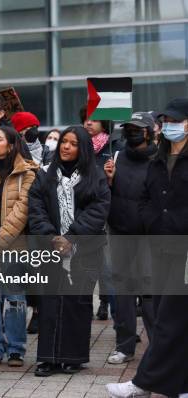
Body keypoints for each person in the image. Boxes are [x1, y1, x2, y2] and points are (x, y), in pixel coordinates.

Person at [106, 98, 188, 398]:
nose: (170, 126)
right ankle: (176, 386)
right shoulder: (159, 160)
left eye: (177, 120)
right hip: (161, 246)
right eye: (166, 121)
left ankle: (144, 382)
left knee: (168, 319)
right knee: (173, 320)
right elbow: (146, 200)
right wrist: (153, 222)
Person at [28, 125, 110, 377]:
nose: (66, 147)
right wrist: (53, 237)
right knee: (50, 302)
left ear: (82, 149)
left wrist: (72, 236)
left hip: (84, 248)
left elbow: (99, 209)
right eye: (64, 141)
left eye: (73, 144)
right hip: (50, 246)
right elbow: (36, 207)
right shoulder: (44, 174)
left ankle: (72, 357)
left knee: (78, 302)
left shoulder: (95, 176)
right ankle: (48, 358)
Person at [103, 112, 157, 366]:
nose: (132, 132)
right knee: (123, 293)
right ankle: (125, 346)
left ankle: (158, 349)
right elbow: (105, 195)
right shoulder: (116, 156)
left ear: (149, 131)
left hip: (149, 237)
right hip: (120, 233)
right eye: (129, 128)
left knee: (149, 294)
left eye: (138, 128)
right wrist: (109, 181)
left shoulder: (160, 159)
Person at [0, 125, 38, 368]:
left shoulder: (29, 173)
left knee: (15, 299)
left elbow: (22, 211)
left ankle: (16, 348)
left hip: (15, 247)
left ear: (12, 144)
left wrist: (0, 241)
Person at [80, 106, 121, 320]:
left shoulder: (114, 148)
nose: (88, 123)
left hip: (105, 216)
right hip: (82, 215)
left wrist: (112, 178)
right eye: (85, 119)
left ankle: (116, 313)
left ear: (104, 123)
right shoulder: (77, 146)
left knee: (107, 267)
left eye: (93, 120)